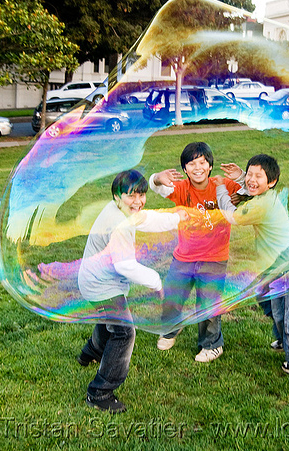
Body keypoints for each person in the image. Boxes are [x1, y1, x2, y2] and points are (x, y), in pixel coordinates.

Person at [77, 170, 188, 412]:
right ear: (117, 196)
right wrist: (156, 282)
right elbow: (125, 265)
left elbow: (144, 218)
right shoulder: (118, 224)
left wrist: (175, 218)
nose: (138, 202)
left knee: (111, 322)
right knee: (124, 332)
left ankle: (91, 352)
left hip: (97, 280)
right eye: (131, 196)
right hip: (101, 286)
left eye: (141, 195)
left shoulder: (119, 209)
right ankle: (100, 392)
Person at [213, 155, 289, 375]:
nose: (251, 179)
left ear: (272, 181)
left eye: (257, 176)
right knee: (265, 296)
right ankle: (285, 338)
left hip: (284, 263)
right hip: (276, 261)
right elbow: (252, 189)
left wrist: (220, 188)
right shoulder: (267, 195)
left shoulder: (261, 204)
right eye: (249, 173)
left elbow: (232, 216)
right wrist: (242, 177)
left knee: (286, 311)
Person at [149, 142, 241, 362]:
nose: (197, 167)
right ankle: (171, 329)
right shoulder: (181, 189)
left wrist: (241, 176)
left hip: (214, 258)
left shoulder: (223, 185)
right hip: (184, 256)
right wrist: (156, 178)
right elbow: (158, 187)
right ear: (184, 170)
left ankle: (212, 344)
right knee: (172, 295)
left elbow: (253, 191)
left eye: (202, 162)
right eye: (191, 164)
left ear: (210, 166)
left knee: (208, 303)